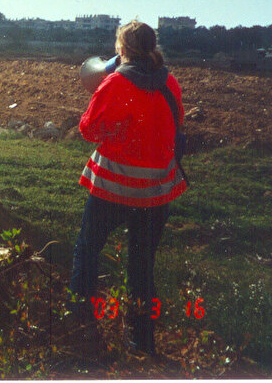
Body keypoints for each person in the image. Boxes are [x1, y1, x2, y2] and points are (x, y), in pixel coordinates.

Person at [69, 20, 186, 355]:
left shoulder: (115, 82)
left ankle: (80, 328)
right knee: (141, 265)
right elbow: (175, 124)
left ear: (121, 49)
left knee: (87, 252)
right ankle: (142, 340)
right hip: (155, 192)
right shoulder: (170, 82)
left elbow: (89, 129)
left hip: (113, 188)